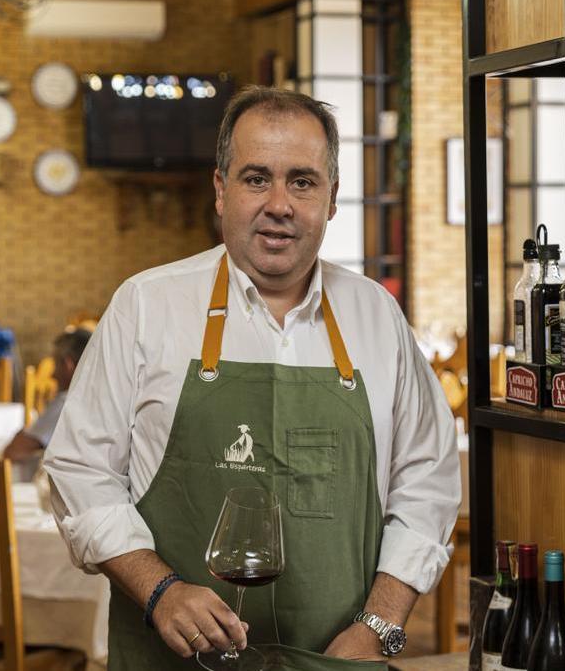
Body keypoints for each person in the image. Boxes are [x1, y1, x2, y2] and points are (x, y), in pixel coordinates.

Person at [43, 87, 461, 670]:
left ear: (332, 198)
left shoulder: (376, 316)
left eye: (303, 182)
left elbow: (429, 482)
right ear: (221, 189)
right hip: (175, 659)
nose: (280, 204)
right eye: (256, 179)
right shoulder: (147, 305)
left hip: (335, 660)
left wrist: (378, 625)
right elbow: (79, 471)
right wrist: (160, 590)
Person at [2, 328, 93, 461]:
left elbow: (12, 453)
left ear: (68, 365)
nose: (53, 375)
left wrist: (23, 433)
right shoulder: (104, 399)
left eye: (56, 364)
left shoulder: (67, 402)